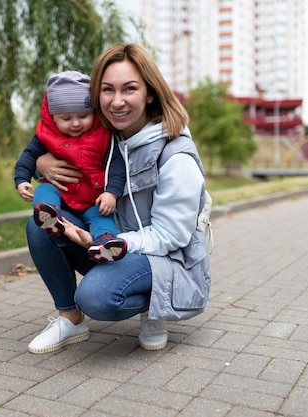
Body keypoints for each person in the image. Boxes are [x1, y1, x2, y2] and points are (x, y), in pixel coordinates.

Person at [25, 44, 211, 354]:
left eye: (130, 89)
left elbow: (171, 236)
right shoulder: (106, 138)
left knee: (96, 297)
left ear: (150, 93)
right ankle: (70, 319)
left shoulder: (175, 154)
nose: (117, 101)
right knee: (39, 227)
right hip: (113, 244)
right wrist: (38, 164)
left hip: (166, 258)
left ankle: (155, 307)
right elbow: (51, 146)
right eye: (107, 90)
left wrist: (107, 243)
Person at [14, 70, 128, 263]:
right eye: (66, 119)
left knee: (103, 216)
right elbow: (29, 156)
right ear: (53, 117)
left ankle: (105, 242)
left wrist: (111, 193)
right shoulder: (46, 135)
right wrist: (21, 180)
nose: (75, 123)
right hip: (61, 193)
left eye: (83, 116)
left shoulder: (103, 136)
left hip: (93, 198)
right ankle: (48, 213)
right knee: (45, 190)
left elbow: (117, 165)